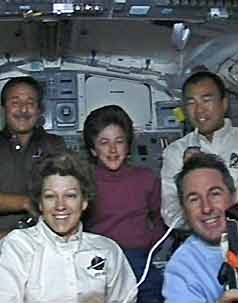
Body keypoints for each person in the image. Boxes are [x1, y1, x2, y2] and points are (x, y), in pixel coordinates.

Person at [0, 152, 138, 303]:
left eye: (70, 195)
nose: (60, 205)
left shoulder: (107, 250)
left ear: (84, 202)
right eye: (50, 196)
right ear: (40, 203)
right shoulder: (16, 247)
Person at [0, 76, 66, 256]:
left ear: (39, 110)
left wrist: (19, 235)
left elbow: (64, 198)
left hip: (45, 241)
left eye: (30, 102)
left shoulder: (55, 146)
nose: (23, 109)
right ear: (3, 109)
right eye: (15, 102)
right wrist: (26, 203)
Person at [83, 105, 166, 303]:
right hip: (98, 260)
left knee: (154, 292)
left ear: (128, 146)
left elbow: (159, 218)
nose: (112, 149)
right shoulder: (84, 180)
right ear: (93, 149)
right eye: (104, 142)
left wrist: (147, 242)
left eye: (119, 141)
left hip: (138, 258)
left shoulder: (146, 178)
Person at [161, 71, 238, 229]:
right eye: (191, 103)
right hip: (199, 240)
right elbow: (170, 212)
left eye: (206, 100)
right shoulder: (175, 152)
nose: (199, 110)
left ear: (224, 104)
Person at [162, 153, 238, 303]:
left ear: (233, 198)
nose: (206, 208)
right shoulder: (182, 269)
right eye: (194, 199)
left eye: (215, 194)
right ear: (184, 210)